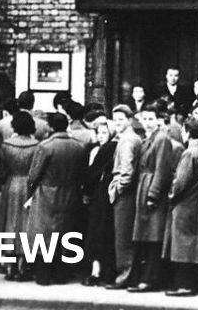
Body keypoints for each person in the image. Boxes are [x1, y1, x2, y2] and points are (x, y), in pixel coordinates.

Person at [24, 112, 87, 285]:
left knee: (44, 234)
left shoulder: (45, 146)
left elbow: (34, 174)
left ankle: (43, 275)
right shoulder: (78, 147)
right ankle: (61, 275)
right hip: (70, 192)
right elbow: (82, 173)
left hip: (47, 193)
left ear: (51, 127)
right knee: (65, 233)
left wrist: (30, 194)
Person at [165, 120, 198, 297]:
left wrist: (171, 196)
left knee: (183, 246)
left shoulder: (189, 154)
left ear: (187, 132)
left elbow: (181, 182)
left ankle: (184, 285)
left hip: (186, 204)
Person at [129, 104, 175, 291]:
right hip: (144, 186)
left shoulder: (162, 139)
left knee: (153, 236)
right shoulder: (149, 139)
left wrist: (153, 194)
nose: (147, 123)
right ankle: (145, 277)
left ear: (158, 120)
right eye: (144, 119)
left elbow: (162, 169)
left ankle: (150, 279)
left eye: (151, 119)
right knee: (145, 235)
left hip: (152, 190)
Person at [0, 110, 40, 282]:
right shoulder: (37, 145)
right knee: (27, 225)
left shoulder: (7, 145)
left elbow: (0, 169)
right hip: (29, 186)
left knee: (9, 223)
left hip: (11, 185)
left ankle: (10, 266)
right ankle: (23, 265)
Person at [105, 104, 144, 289]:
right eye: (115, 119)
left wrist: (117, 188)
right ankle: (129, 275)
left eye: (121, 119)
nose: (118, 123)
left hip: (125, 194)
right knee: (126, 236)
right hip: (129, 192)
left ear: (129, 120)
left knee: (123, 237)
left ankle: (124, 277)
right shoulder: (133, 138)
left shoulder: (127, 140)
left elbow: (127, 171)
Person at [82, 117, 117, 286]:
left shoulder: (103, 150)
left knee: (97, 233)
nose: (102, 135)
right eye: (99, 133)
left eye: (105, 132)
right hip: (104, 195)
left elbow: (90, 175)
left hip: (101, 195)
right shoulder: (102, 149)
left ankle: (96, 271)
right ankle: (103, 270)